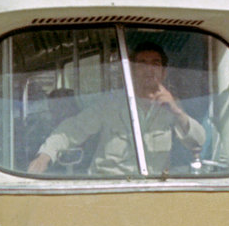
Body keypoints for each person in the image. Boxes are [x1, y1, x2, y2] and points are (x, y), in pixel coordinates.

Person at [29, 42, 205, 176]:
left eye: (155, 64)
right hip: (109, 188)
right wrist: (45, 155)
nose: (149, 69)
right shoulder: (110, 104)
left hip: (152, 189)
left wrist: (177, 112)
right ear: (132, 71)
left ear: (164, 72)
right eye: (142, 64)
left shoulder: (172, 106)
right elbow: (72, 130)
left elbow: (198, 142)